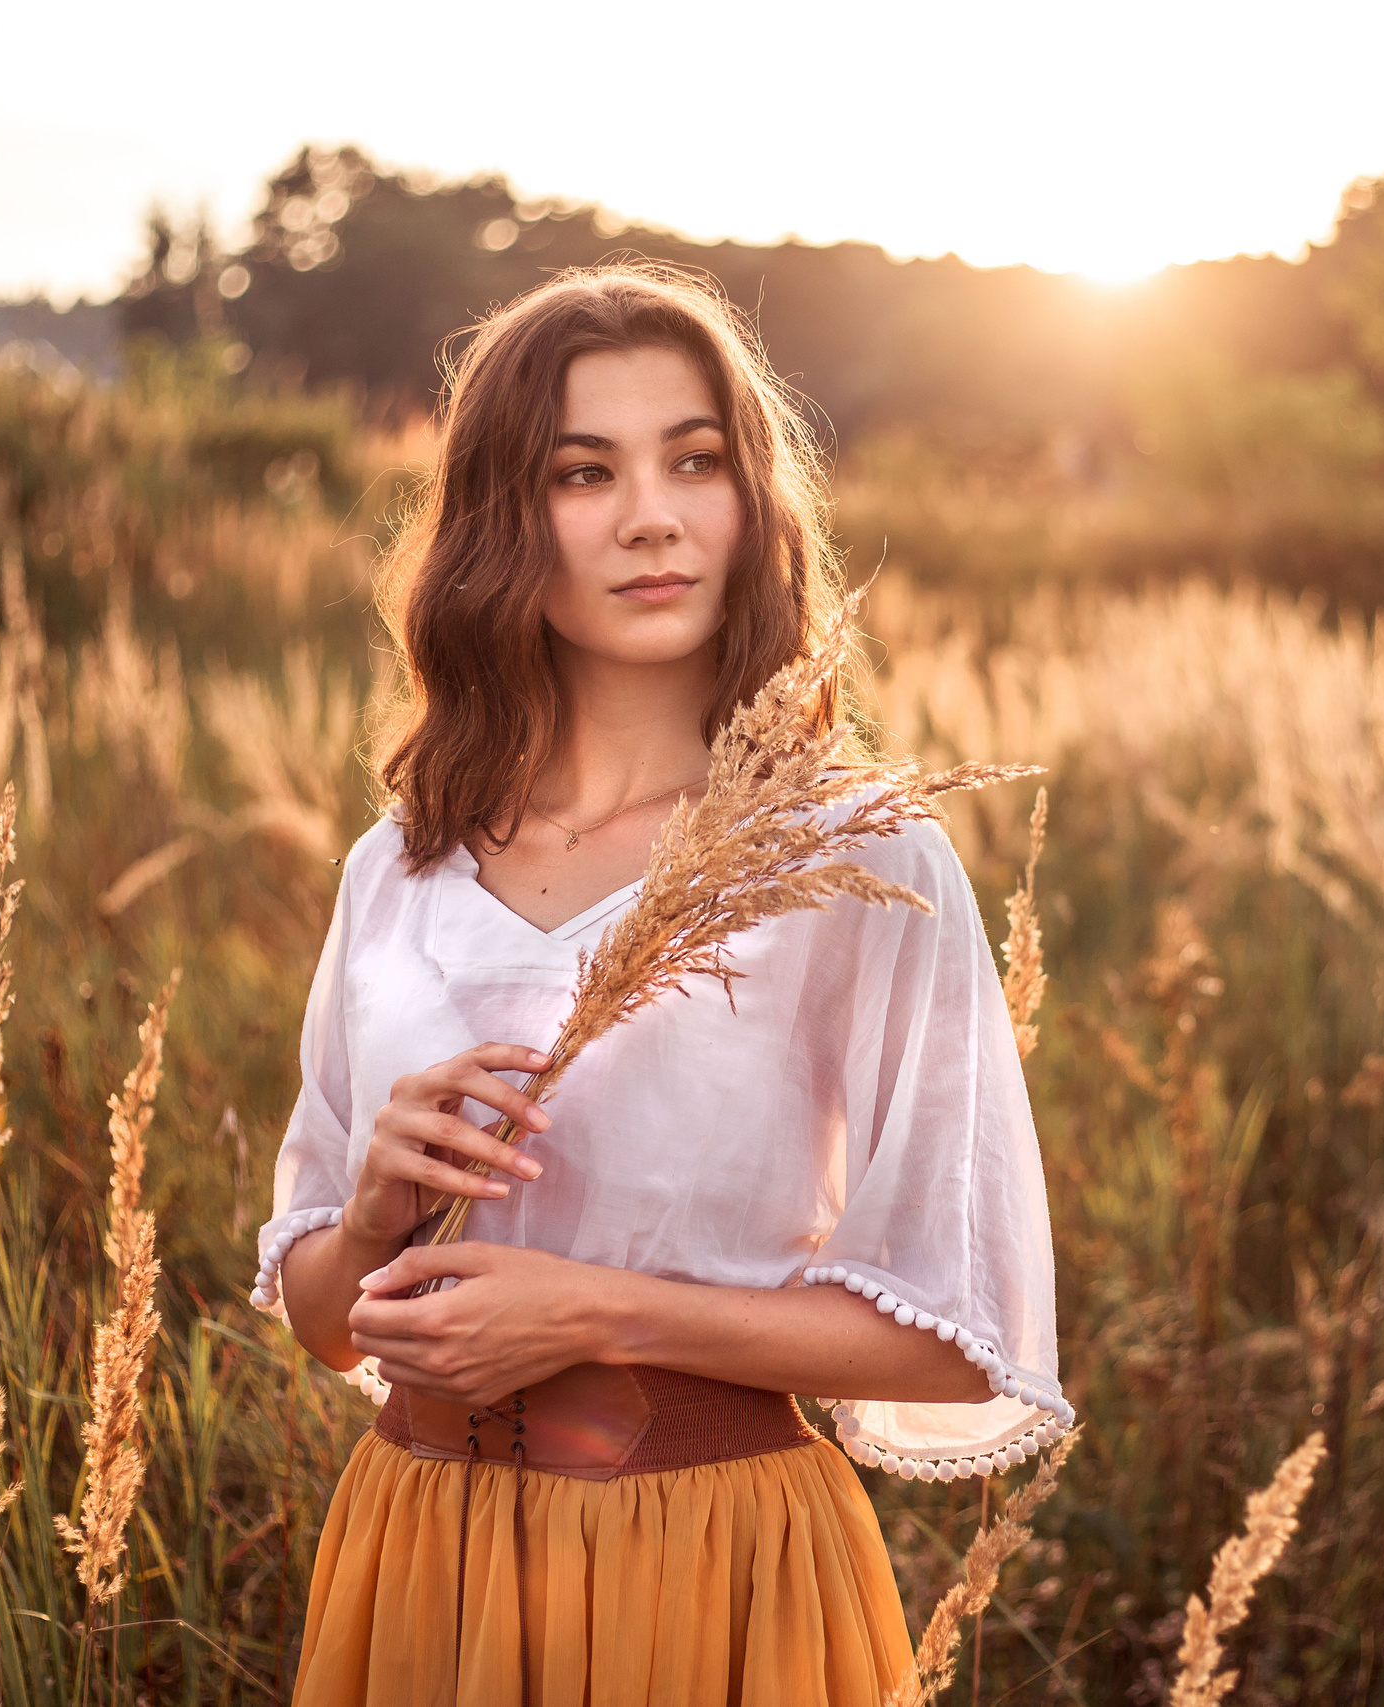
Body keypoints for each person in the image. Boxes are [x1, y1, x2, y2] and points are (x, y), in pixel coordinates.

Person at [251, 261, 1070, 1707]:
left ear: (752, 502)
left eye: (696, 460)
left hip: (709, 1559)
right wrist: (377, 1205)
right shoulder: (402, 864)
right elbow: (326, 1319)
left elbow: (959, 1340)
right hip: (417, 1555)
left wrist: (597, 1314)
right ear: (505, 522)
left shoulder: (853, 858)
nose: (652, 515)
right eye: (584, 472)